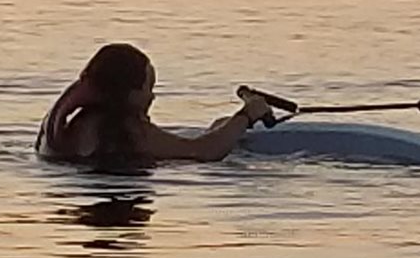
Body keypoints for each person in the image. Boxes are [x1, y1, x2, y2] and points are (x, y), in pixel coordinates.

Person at [38, 42, 274, 165]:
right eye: (148, 88)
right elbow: (203, 152)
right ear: (129, 93)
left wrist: (223, 128)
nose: (152, 97)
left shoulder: (76, 125)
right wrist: (247, 115)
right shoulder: (127, 131)